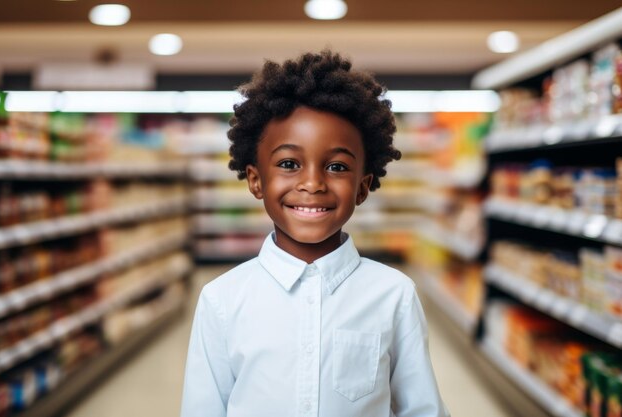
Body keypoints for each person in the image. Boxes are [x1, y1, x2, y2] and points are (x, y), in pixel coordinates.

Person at [180, 50, 450, 417]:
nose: (312, 183)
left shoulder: (393, 295)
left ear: (363, 186)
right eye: (289, 164)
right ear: (256, 180)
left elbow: (421, 409)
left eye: (337, 166)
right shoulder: (222, 301)